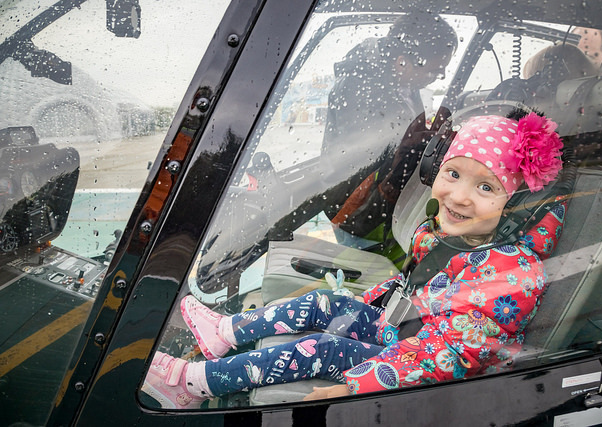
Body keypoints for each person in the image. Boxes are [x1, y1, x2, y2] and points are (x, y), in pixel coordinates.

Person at [142, 108, 567, 408]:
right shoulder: (448, 236)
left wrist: (356, 388)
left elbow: (454, 356)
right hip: (405, 332)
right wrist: (367, 306)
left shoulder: (512, 275)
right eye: (452, 174)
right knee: (323, 304)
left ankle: (191, 384)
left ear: (519, 202)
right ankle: (225, 332)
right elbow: (411, 290)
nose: (458, 196)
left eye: (486, 188)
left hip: (428, 365)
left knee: (321, 348)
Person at [321, 13, 458, 246]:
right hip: (359, 214)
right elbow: (374, 159)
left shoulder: (398, 83)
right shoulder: (363, 92)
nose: (440, 77)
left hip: (380, 207)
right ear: (402, 62)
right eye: (435, 71)